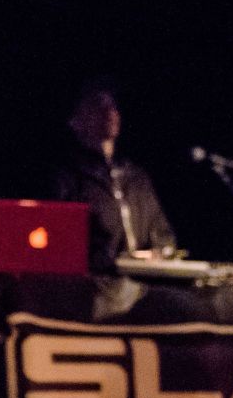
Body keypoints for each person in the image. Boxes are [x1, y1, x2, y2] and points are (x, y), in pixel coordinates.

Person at [43, 77, 176, 273]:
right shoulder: (67, 177)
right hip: (97, 282)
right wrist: (110, 260)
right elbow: (59, 244)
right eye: (98, 105)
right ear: (75, 120)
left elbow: (163, 235)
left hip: (142, 279)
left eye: (112, 105)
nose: (109, 112)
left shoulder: (134, 176)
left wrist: (161, 252)